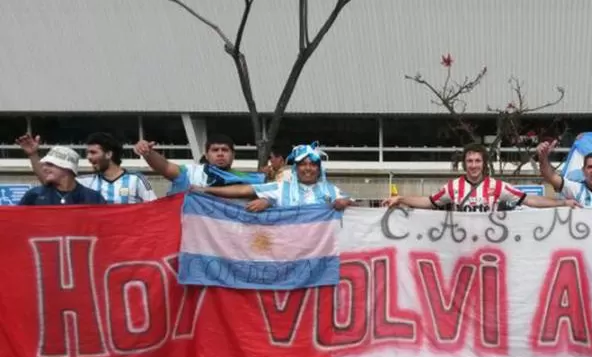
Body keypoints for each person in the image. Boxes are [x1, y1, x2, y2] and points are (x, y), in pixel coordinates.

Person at [383, 143, 578, 211]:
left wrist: (562, 203)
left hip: (490, 249)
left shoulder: (497, 186)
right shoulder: (454, 187)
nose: (474, 165)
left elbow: (530, 200)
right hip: (462, 250)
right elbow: (429, 201)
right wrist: (401, 199)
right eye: (470, 161)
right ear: (464, 163)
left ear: (484, 163)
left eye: (477, 161)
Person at [196, 142, 353, 212]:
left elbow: (357, 210)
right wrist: (207, 190)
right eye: (302, 164)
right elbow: (244, 190)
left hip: (320, 257)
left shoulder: (331, 191)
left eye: (312, 164)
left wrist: (345, 203)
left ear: (319, 169)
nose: (307, 168)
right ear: (295, 168)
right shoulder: (281, 187)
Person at [16, 132, 156, 204]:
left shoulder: (136, 180)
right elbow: (51, 181)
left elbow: (155, 210)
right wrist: (33, 155)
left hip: (129, 243)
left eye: (93, 152)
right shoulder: (86, 181)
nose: (88, 157)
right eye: (87, 153)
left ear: (108, 154)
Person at [134, 134, 264, 193]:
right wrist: (148, 153)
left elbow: (268, 194)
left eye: (225, 150)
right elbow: (166, 167)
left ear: (233, 155)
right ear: (206, 155)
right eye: (215, 150)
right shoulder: (191, 173)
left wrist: (265, 201)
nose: (220, 154)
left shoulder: (245, 179)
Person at [536, 140, 592, 210]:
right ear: (583, 170)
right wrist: (543, 158)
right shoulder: (575, 189)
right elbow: (550, 176)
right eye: (590, 167)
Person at [19, 146, 106, 206]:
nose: (44, 168)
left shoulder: (93, 198)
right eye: (45, 164)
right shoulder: (34, 195)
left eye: (50, 164)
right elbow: (17, 221)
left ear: (67, 168)